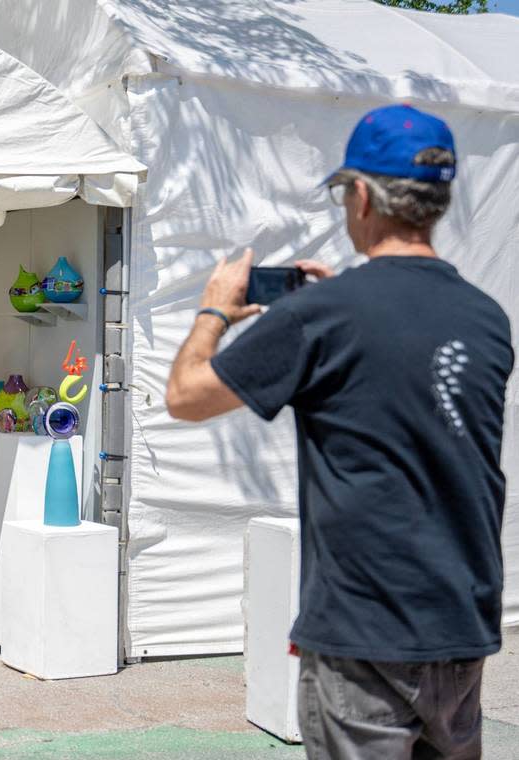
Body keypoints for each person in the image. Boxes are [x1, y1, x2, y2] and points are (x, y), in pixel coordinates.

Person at [165, 104, 513, 759]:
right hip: (462, 628)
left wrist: (215, 308)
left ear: (359, 195)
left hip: (365, 632)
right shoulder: (486, 317)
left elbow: (186, 396)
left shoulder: (324, 317)